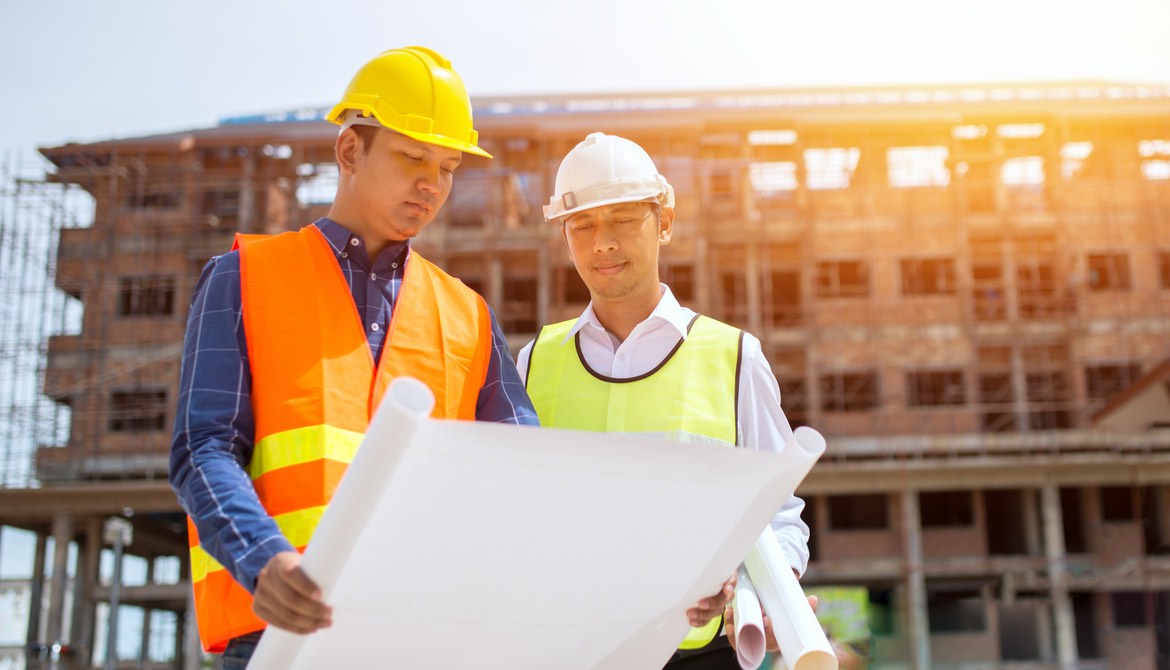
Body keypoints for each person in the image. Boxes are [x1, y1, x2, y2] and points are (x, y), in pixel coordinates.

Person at [169, 46, 538, 667]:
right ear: (349, 152)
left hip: (423, 640)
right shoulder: (244, 277)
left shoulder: (468, 315)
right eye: (413, 157)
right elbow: (203, 446)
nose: (432, 183)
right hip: (280, 637)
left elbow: (526, 476)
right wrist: (264, 561)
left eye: (448, 166)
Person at [517, 132, 811, 670]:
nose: (602, 241)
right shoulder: (534, 362)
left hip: (699, 657)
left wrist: (774, 592)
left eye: (625, 218)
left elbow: (778, 514)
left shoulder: (734, 356)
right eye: (582, 225)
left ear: (665, 223)